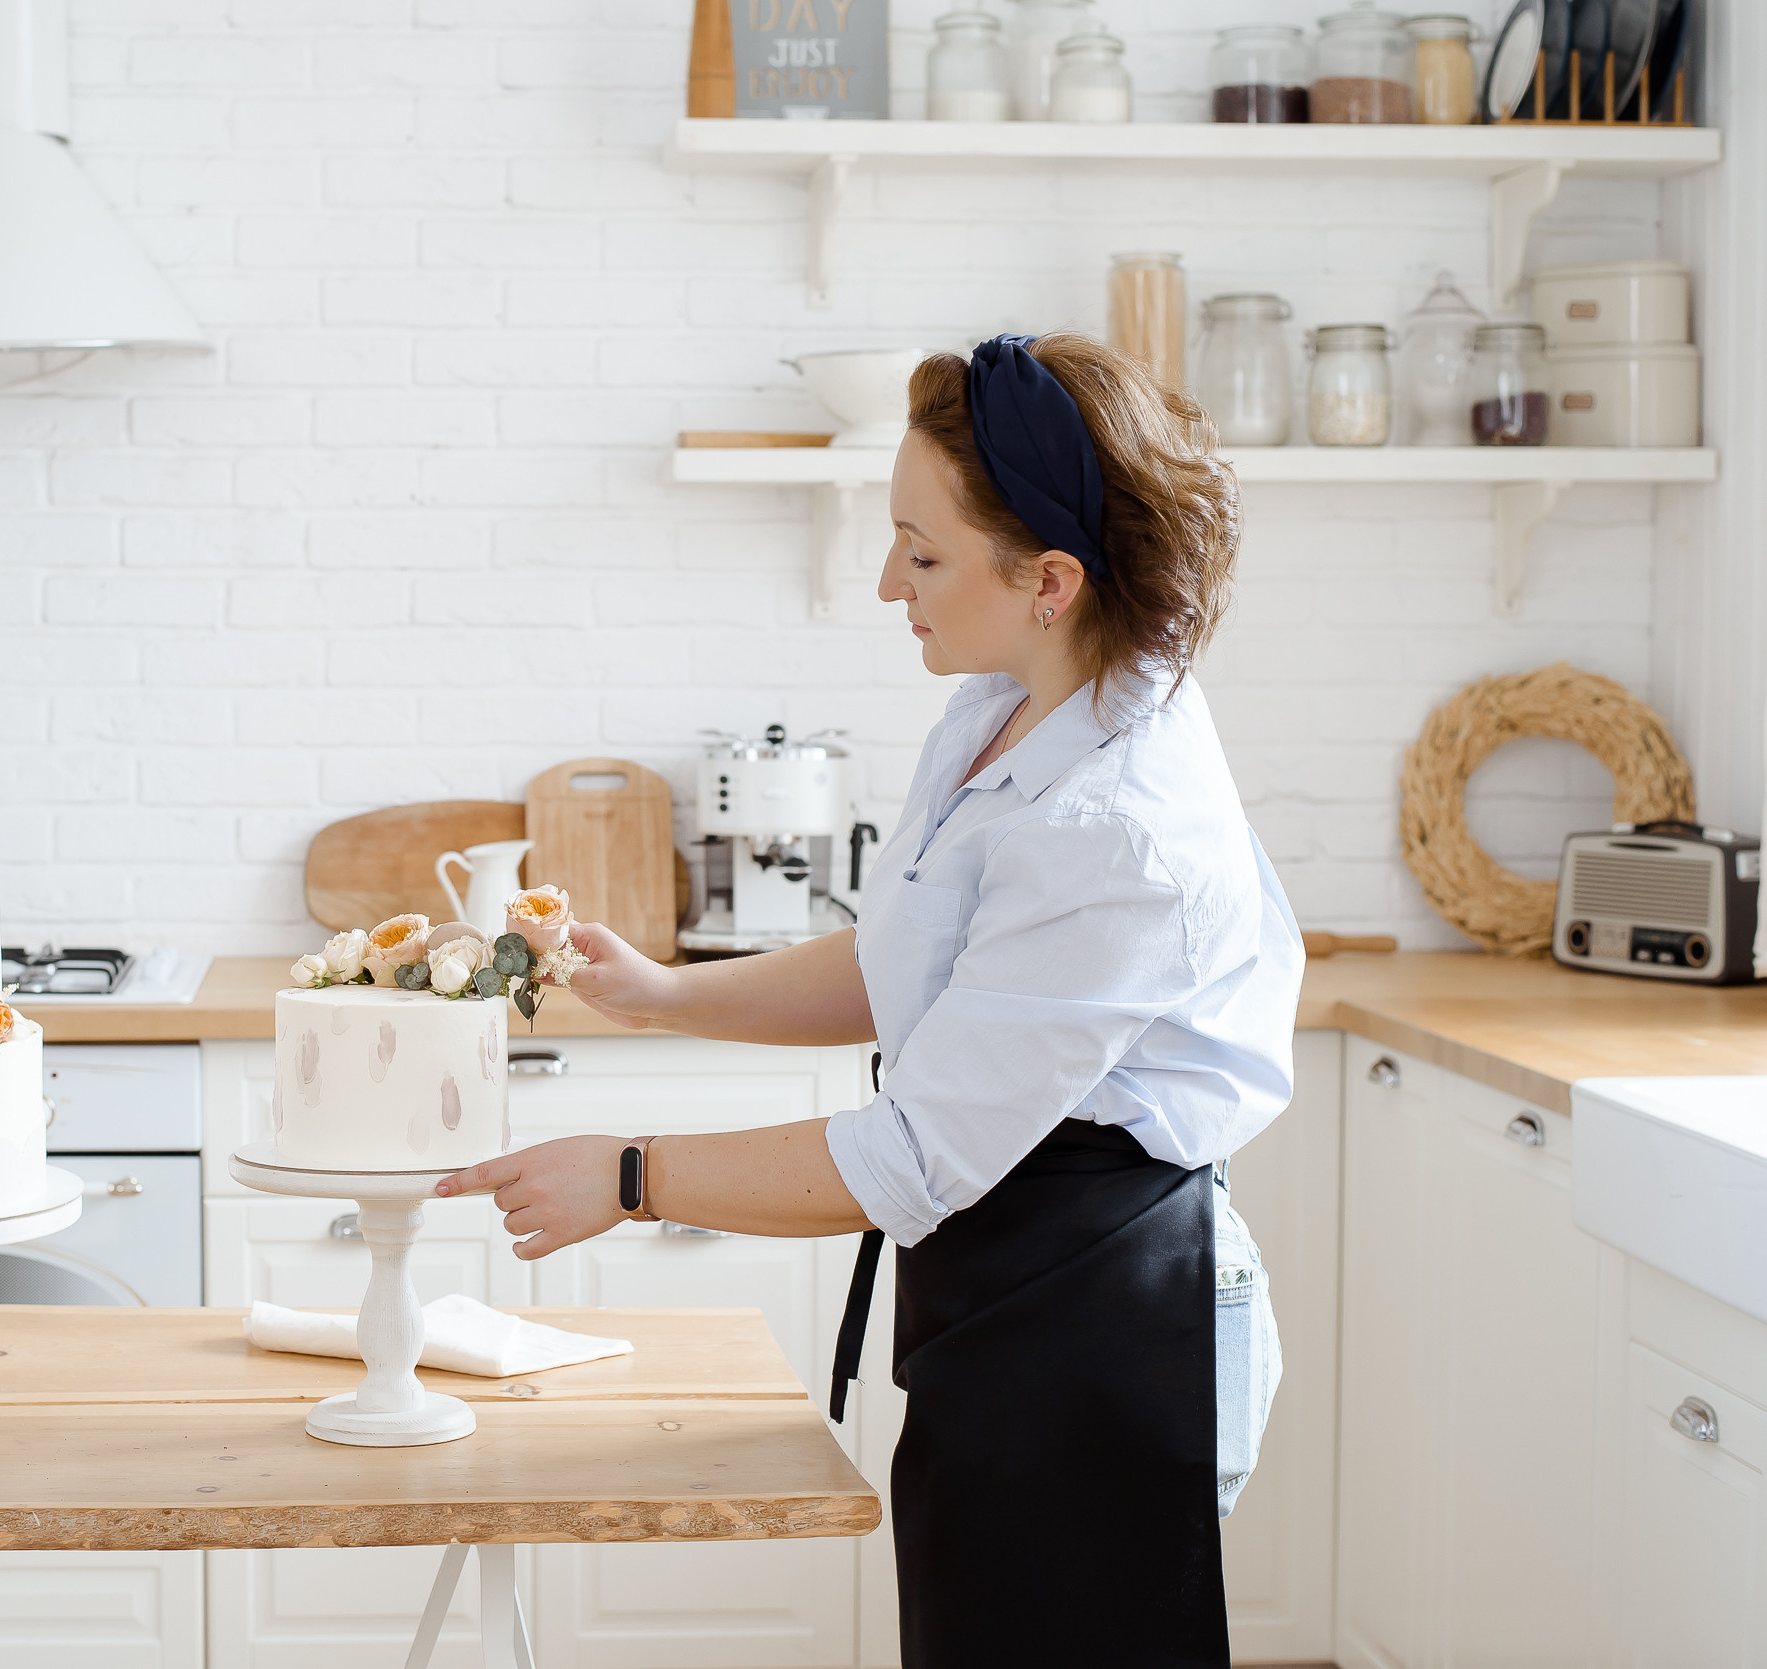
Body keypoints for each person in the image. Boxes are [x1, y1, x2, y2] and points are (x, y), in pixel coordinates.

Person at [437, 333, 1301, 1667]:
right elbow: (916, 965)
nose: (887, 579)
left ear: (1052, 580)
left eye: (923, 549)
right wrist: (667, 994)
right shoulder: (1011, 701)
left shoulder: (1119, 830)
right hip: (1011, 1284)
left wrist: (627, 1173)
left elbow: (909, 1154)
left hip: (1108, 1324)